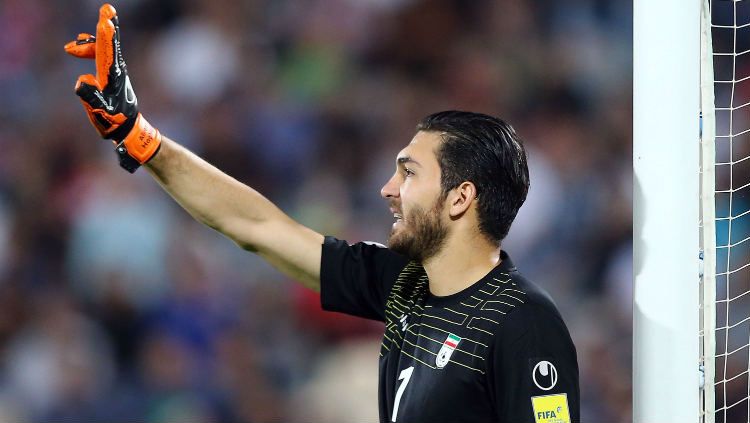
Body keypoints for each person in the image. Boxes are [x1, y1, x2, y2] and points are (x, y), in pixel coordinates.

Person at [65, 4, 580, 423]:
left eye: (409, 173)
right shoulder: (403, 285)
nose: (387, 189)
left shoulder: (523, 325)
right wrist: (142, 140)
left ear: (460, 198)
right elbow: (256, 226)